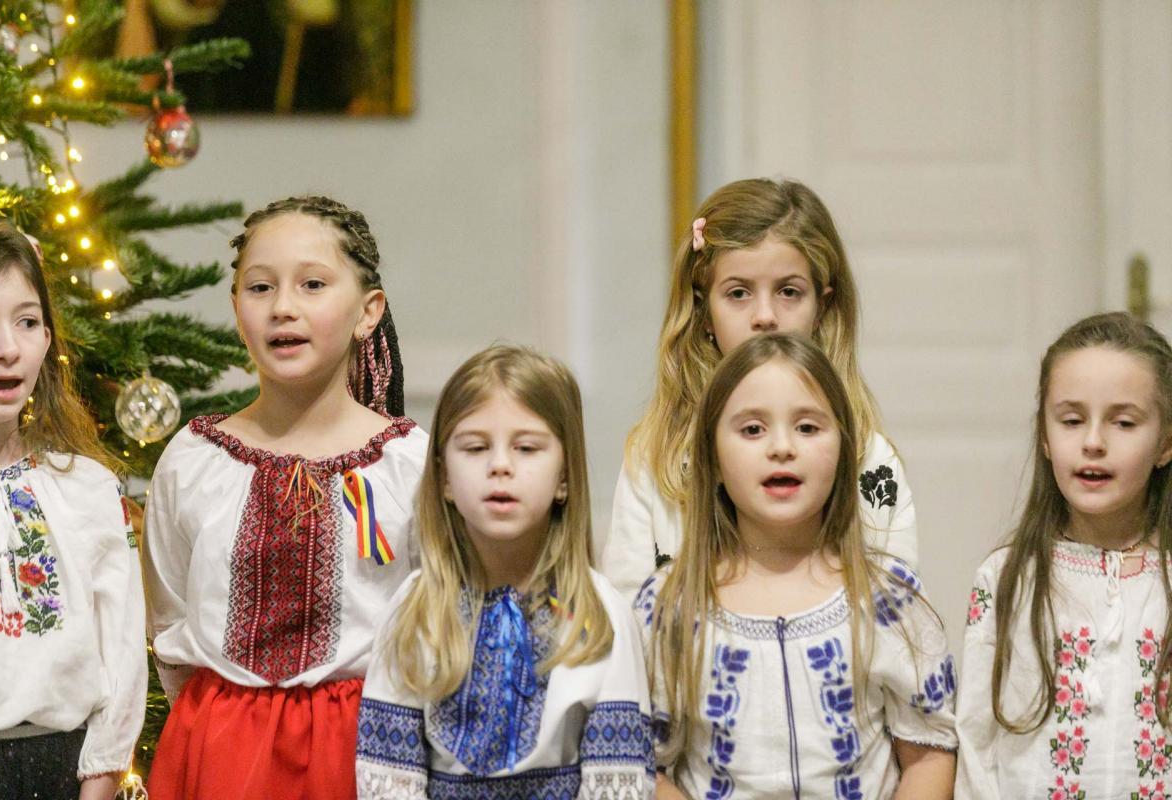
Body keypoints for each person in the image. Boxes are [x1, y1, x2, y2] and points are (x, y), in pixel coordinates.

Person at [142, 196, 427, 799]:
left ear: (368, 311)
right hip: (217, 751)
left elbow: (437, 619)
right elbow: (168, 612)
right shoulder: (194, 461)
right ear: (236, 309)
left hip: (367, 754)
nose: (283, 308)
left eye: (313, 284)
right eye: (260, 287)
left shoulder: (409, 465)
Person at [640, 332, 956, 799]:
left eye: (807, 428)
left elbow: (929, 754)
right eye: (752, 430)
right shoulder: (669, 605)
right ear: (713, 458)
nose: (782, 447)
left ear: (843, 451)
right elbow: (644, 765)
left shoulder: (890, 599)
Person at [356, 345, 654, 798]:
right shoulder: (415, 610)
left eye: (527, 448)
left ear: (564, 477)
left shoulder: (599, 618)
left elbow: (618, 783)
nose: (500, 465)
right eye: (475, 448)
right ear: (444, 479)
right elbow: (388, 779)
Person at [601, 178, 917, 600]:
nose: (765, 316)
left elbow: (898, 612)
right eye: (738, 293)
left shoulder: (870, 460)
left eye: (788, 292)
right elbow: (626, 617)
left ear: (821, 308)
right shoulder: (656, 459)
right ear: (704, 310)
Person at [956, 312, 1172, 798]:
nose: (1093, 442)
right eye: (1072, 420)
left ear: (1166, 443)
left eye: (1123, 422)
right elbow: (975, 742)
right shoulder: (1008, 578)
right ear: (1045, 436)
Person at [0, 223, 146, 800]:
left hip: (61, 771)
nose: (7, 348)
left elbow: (122, 650)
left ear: (47, 339)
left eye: (26, 322)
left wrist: (102, 776)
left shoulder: (86, 488)